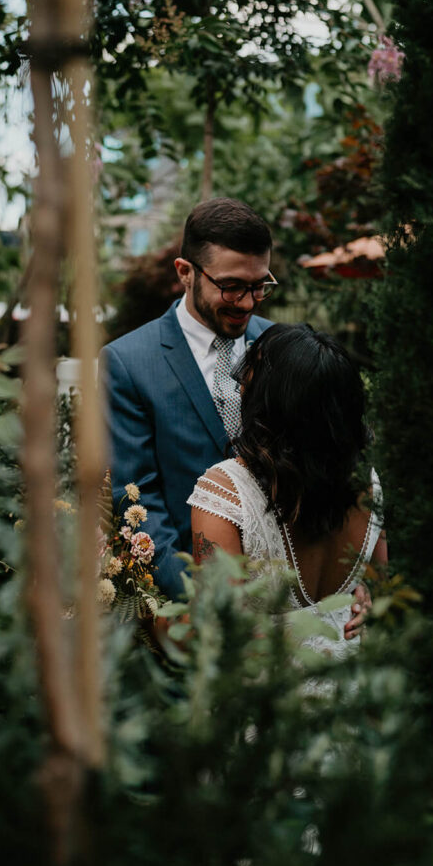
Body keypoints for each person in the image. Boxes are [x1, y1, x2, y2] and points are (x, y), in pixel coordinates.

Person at [100, 197, 275, 599]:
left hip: (284, 586)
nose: (247, 303)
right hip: (192, 597)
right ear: (186, 272)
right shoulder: (127, 363)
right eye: (231, 287)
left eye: (259, 286)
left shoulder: (278, 345)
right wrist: (199, 598)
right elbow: (136, 498)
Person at [187, 323, 387, 654]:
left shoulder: (222, 493)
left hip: (267, 695)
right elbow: (382, 585)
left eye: (250, 382)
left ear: (273, 403)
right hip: (351, 684)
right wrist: (366, 598)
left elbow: (220, 634)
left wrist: (153, 621)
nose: (240, 391)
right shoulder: (367, 483)